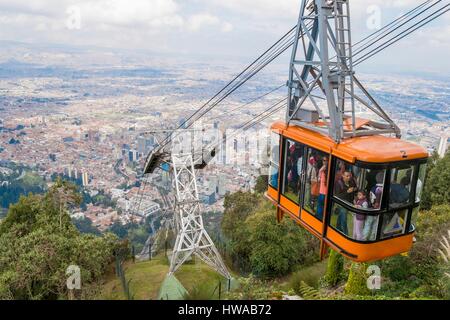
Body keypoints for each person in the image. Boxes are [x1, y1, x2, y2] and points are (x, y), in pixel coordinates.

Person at [334, 171, 357, 235]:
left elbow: (356, 189)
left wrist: (354, 189)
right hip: (342, 203)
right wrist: (347, 192)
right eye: (347, 176)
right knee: (344, 219)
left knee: (341, 216)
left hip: (349, 202)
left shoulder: (352, 182)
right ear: (343, 176)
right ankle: (345, 234)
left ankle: (337, 229)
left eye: (349, 176)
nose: (349, 177)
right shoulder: (338, 183)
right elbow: (337, 196)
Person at [316, 156, 328, 221]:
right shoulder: (323, 170)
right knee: (321, 207)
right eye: (323, 160)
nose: (324, 162)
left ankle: (319, 220)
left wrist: (321, 170)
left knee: (320, 207)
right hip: (322, 191)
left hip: (324, 192)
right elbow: (319, 179)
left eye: (325, 160)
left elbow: (319, 179)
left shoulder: (326, 170)